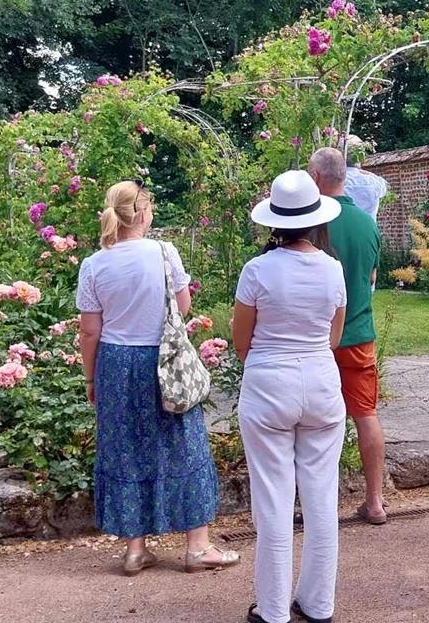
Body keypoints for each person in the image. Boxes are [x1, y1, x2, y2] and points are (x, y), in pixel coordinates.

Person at [76, 180, 238, 575]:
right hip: (165, 362)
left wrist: (91, 378)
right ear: (144, 213)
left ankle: (135, 550)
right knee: (184, 444)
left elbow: (89, 331)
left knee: (126, 449)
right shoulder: (164, 254)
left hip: (116, 364)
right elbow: (182, 305)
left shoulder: (94, 264)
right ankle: (197, 548)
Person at [234, 170, 347, 623]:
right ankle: (319, 604)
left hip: (268, 382)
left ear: (274, 222)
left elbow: (243, 338)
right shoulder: (332, 268)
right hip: (320, 380)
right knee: (322, 499)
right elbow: (334, 336)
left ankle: (274, 609)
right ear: (317, 219)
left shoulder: (257, 270)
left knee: (273, 501)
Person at [307, 148, 388, 525]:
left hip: (313, 338)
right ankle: (375, 501)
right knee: (366, 415)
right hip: (358, 333)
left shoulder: (308, 222)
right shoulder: (367, 222)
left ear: (317, 177)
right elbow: (371, 277)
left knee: (307, 423)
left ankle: (307, 503)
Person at [340, 135, 389, 219]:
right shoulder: (374, 182)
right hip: (368, 231)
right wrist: (366, 173)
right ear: (361, 156)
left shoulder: (334, 181)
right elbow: (385, 186)